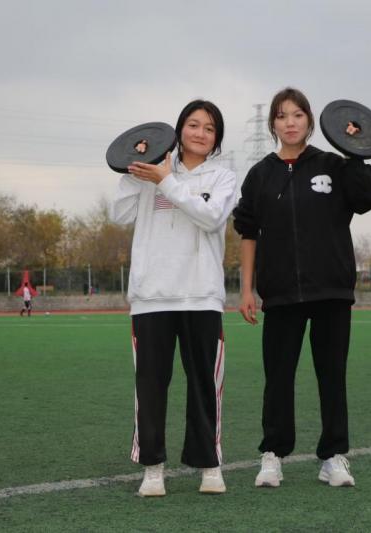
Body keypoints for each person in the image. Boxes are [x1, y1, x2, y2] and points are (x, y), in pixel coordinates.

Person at [233, 87, 371, 488]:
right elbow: (247, 233)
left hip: (331, 291)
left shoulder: (335, 166)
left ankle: (333, 457)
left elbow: (369, 198)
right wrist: (246, 290)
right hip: (281, 293)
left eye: (298, 115)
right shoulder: (260, 174)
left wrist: (355, 150)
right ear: (273, 124)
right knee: (278, 378)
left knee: (332, 376)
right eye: (282, 116)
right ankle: (273, 455)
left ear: (311, 121)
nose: (290, 122)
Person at [110, 100, 237, 497]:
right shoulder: (153, 170)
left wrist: (166, 181)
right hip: (152, 297)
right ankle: (153, 469)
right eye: (193, 125)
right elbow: (119, 215)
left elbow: (210, 218)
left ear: (216, 138)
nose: (200, 133)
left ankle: (209, 466)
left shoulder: (223, 177)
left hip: (201, 297)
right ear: (179, 129)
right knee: (150, 387)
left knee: (204, 386)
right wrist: (134, 171)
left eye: (209, 128)